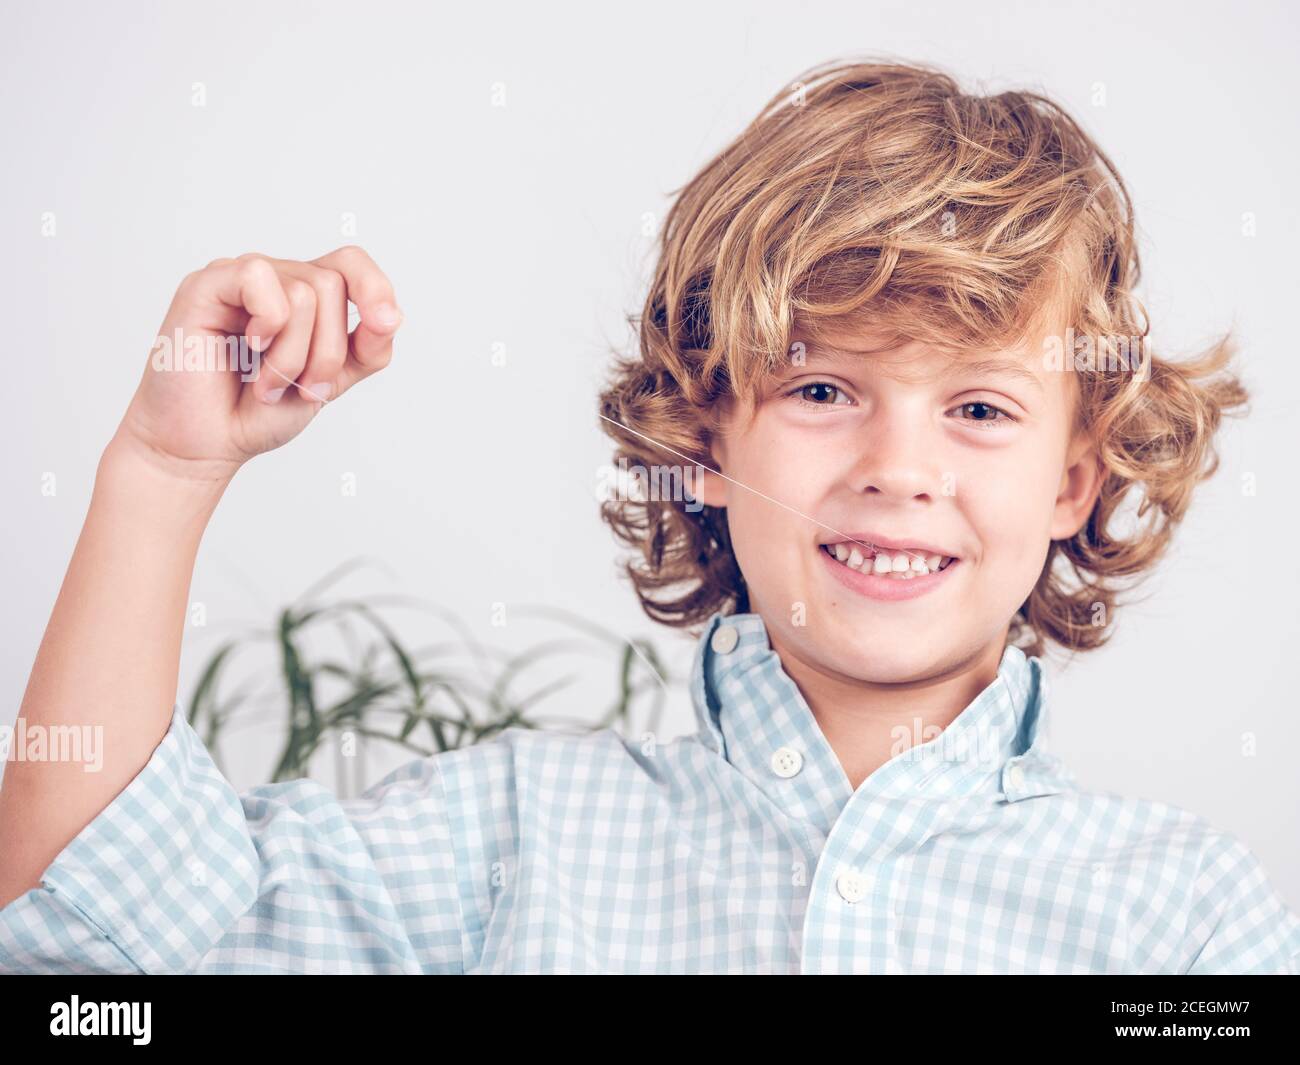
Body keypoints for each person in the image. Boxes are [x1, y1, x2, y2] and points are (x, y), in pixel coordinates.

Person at [1, 58, 1296, 974]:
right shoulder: (506, 839)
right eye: (826, 387)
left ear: (1076, 478)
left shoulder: (1186, 918)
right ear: (708, 436)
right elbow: (88, 940)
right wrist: (161, 474)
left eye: (981, 409)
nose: (900, 467)